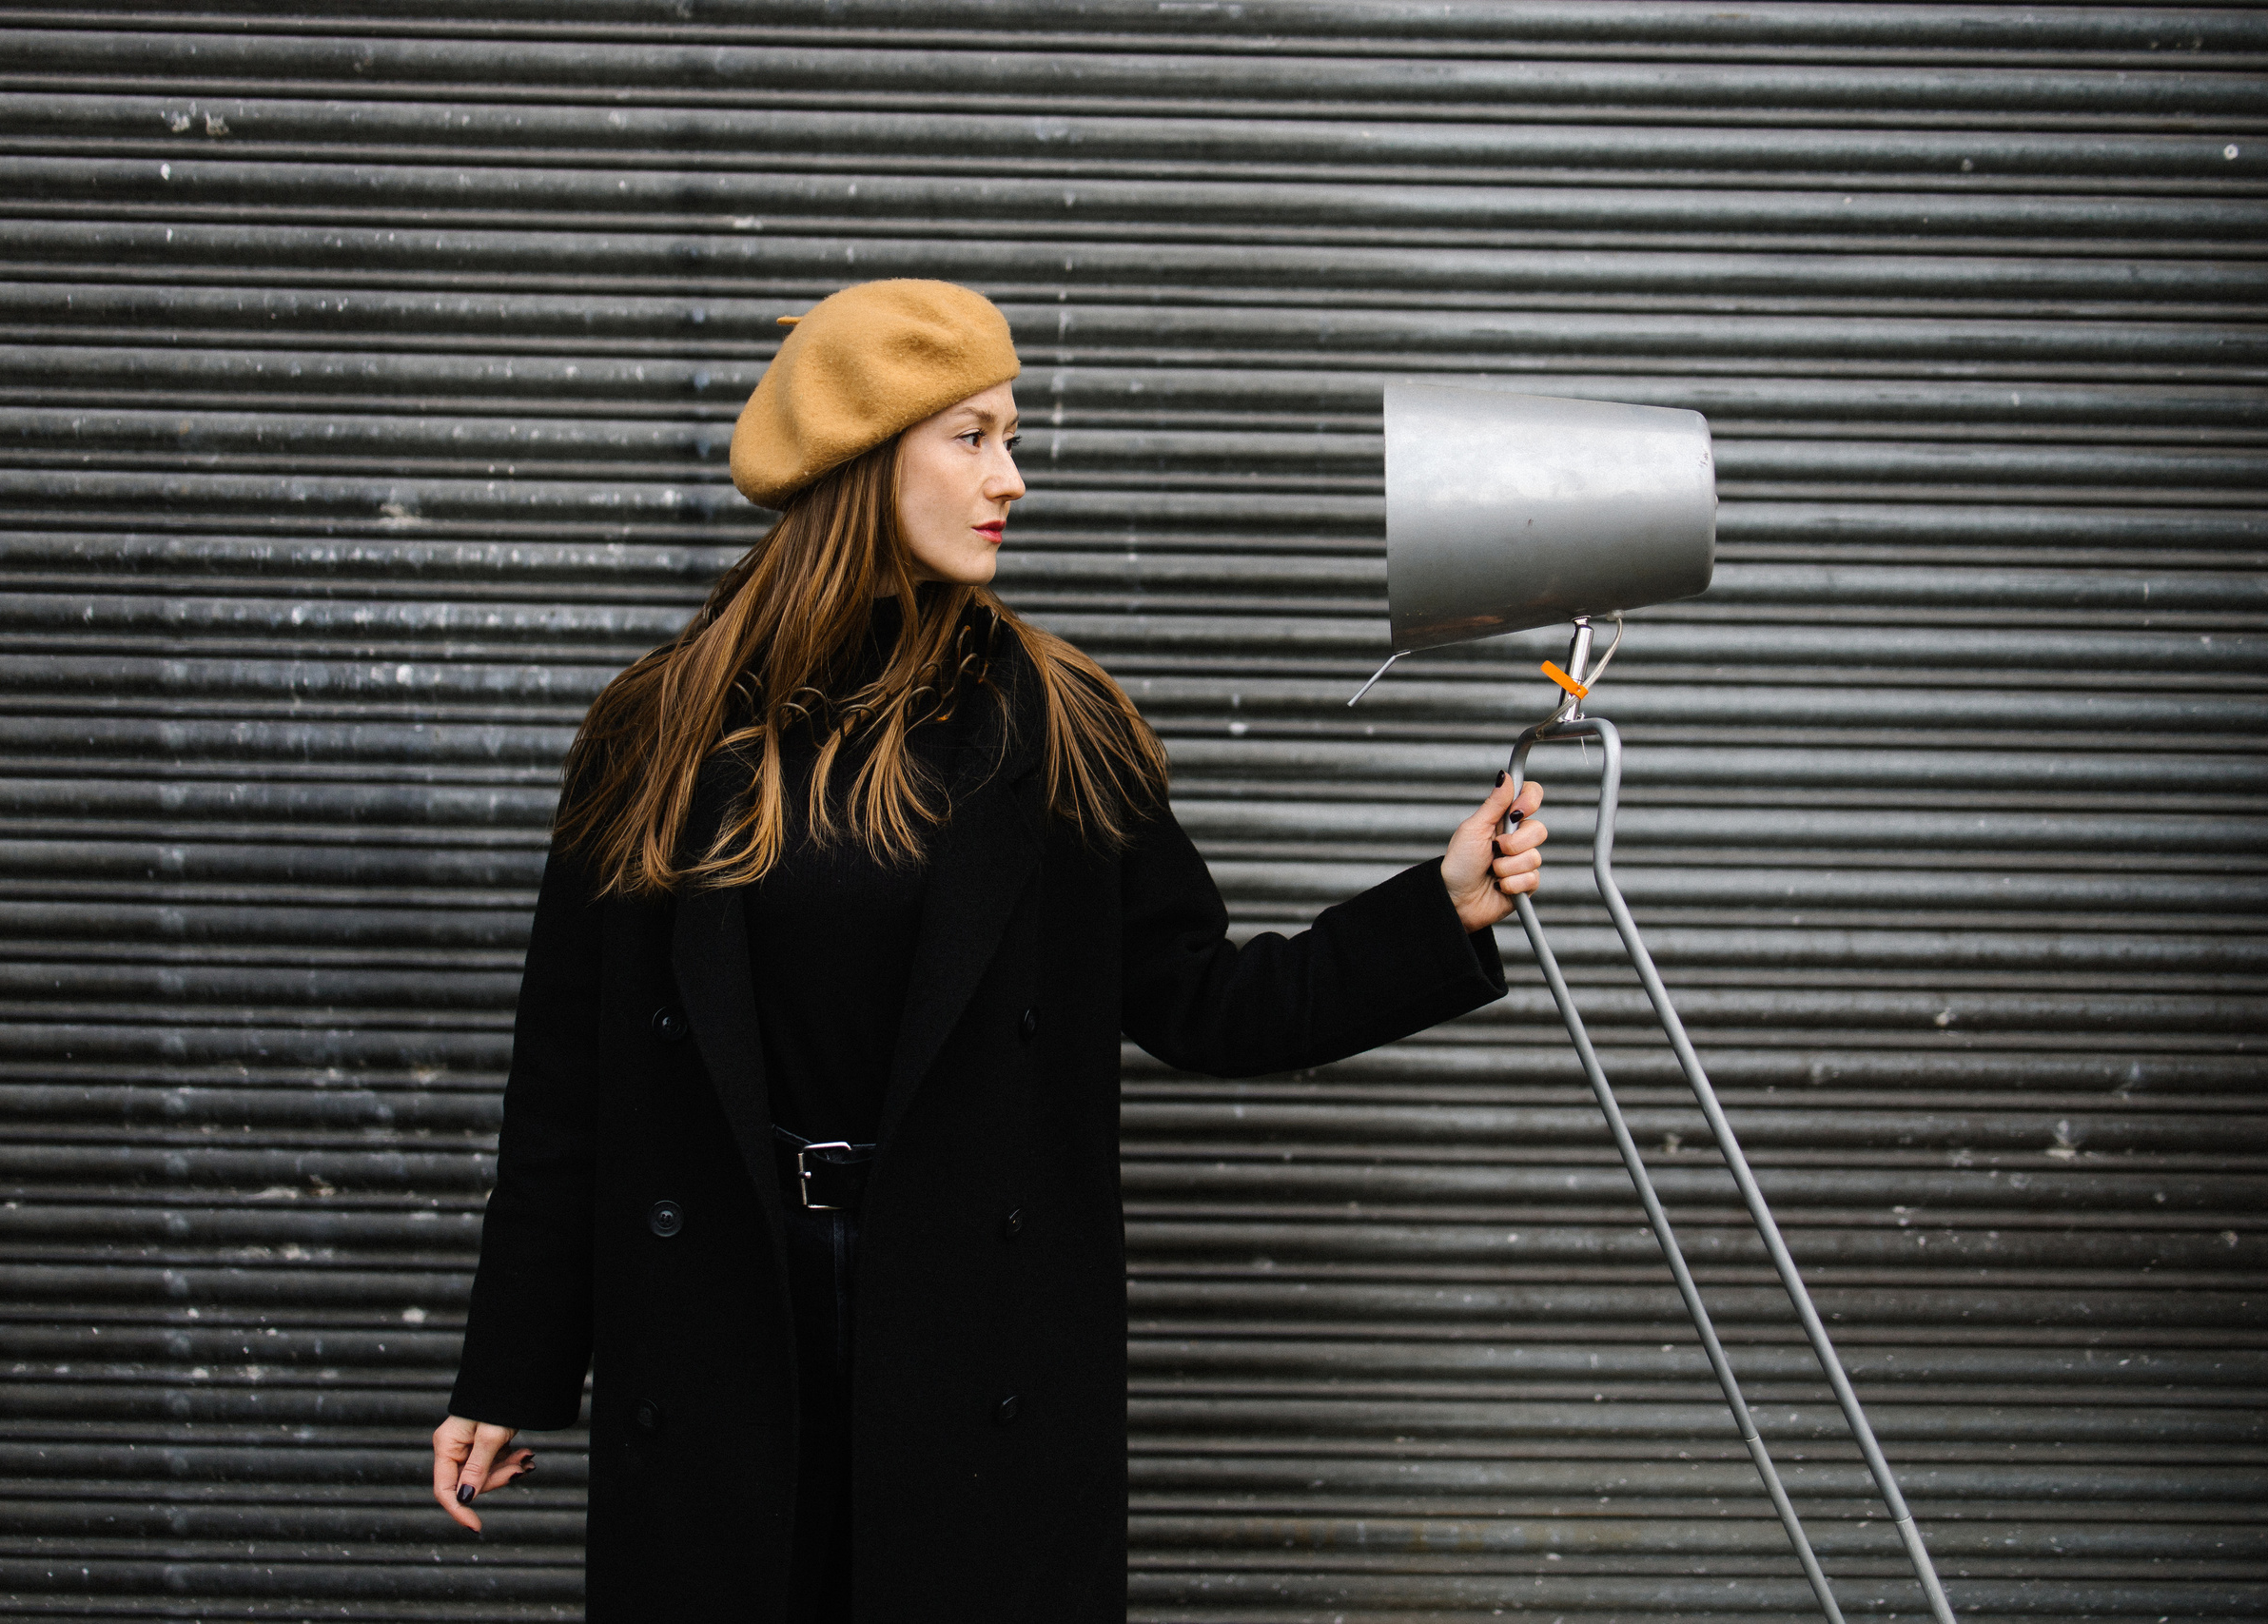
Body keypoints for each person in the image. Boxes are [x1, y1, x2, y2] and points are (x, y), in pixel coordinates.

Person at [426, 279, 1548, 1623]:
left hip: (969, 1333)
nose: (1010, 477)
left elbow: (1210, 1000)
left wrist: (1442, 903)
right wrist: (509, 1371)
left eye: (1009, 435)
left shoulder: (1058, 728)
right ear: (861, 458)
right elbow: (567, 1093)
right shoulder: (655, 732)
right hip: (728, 1318)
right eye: (971, 437)